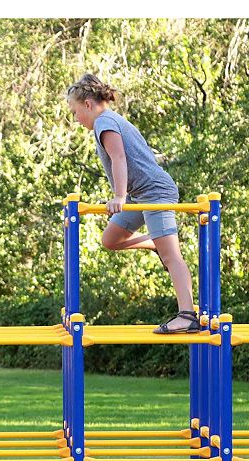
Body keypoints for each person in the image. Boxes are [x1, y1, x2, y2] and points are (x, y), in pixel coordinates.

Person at [67, 73, 198, 334]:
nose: (76, 119)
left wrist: (119, 196)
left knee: (172, 255)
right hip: (141, 193)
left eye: (75, 112)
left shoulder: (104, 122)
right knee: (111, 240)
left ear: (88, 105)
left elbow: (119, 158)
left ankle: (188, 316)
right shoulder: (112, 120)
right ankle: (153, 242)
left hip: (154, 193)